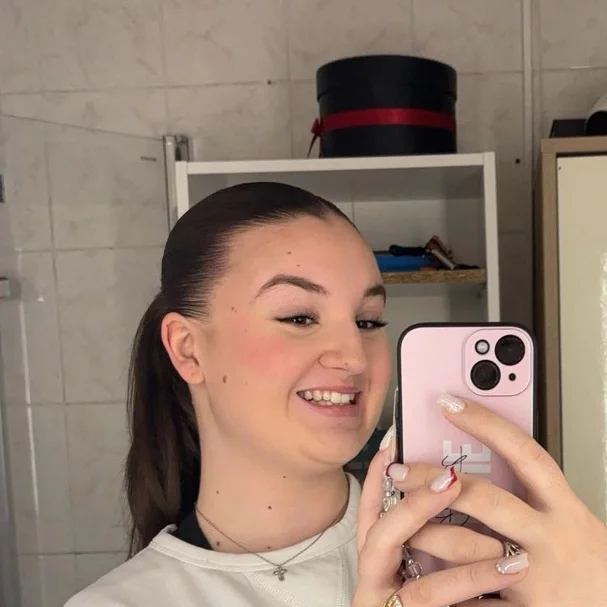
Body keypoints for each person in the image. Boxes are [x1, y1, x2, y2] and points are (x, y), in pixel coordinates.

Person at [64, 182, 607, 607]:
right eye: (299, 317)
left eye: (369, 321)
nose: (354, 357)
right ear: (188, 350)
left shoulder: (482, 552)